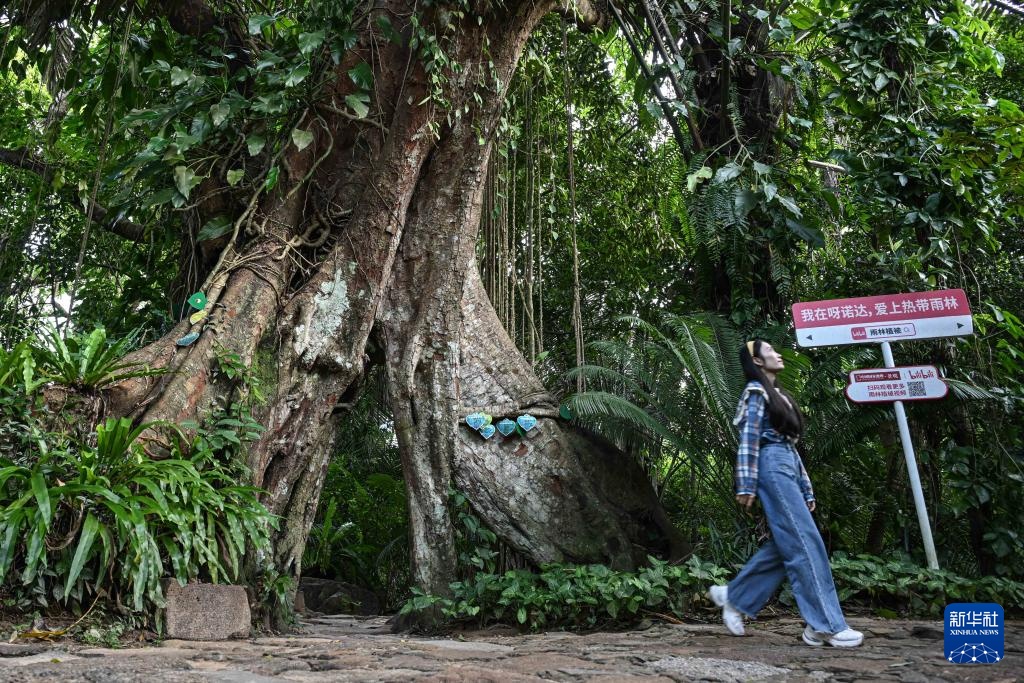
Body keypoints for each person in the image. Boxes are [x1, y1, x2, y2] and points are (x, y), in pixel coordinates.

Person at [707, 339, 863, 648]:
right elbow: (750, 440)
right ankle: (826, 625)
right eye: (770, 351)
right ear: (757, 361)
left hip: (785, 465)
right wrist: (746, 483)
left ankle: (734, 595)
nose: (778, 354)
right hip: (770, 467)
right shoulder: (755, 393)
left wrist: (806, 487)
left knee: (789, 543)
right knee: (806, 542)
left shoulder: (780, 395)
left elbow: (790, 447)